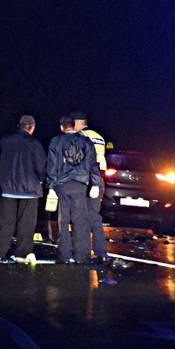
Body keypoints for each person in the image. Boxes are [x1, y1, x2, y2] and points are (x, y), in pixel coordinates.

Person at [0, 114, 47, 264]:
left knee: (5, 223)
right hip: (29, 189)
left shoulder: (5, 140)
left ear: (19, 125)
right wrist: (41, 178)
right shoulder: (34, 143)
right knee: (26, 224)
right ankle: (22, 254)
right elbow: (41, 165)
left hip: (8, 188)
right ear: (32, 127)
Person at [45, 115, 100, 264]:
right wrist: (95, 183)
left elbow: (51, 165)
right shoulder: (86, 141)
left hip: (62, 184)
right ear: (74, 125)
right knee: (80, 220)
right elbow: (93, 163)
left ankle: (64, 255)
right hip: (80, 184)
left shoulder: (56, 141)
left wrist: (50, 186)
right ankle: (81, 256)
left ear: (62, 126)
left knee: (63, 220)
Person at [71, 110, 108, 263]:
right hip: (99, 179)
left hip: (86, 179)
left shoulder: (81, 137)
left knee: (80, 217)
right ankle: (101, 252)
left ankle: (83, 253)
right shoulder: (99, 137)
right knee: (95, 217)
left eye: (74, 123)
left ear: (79, 123)